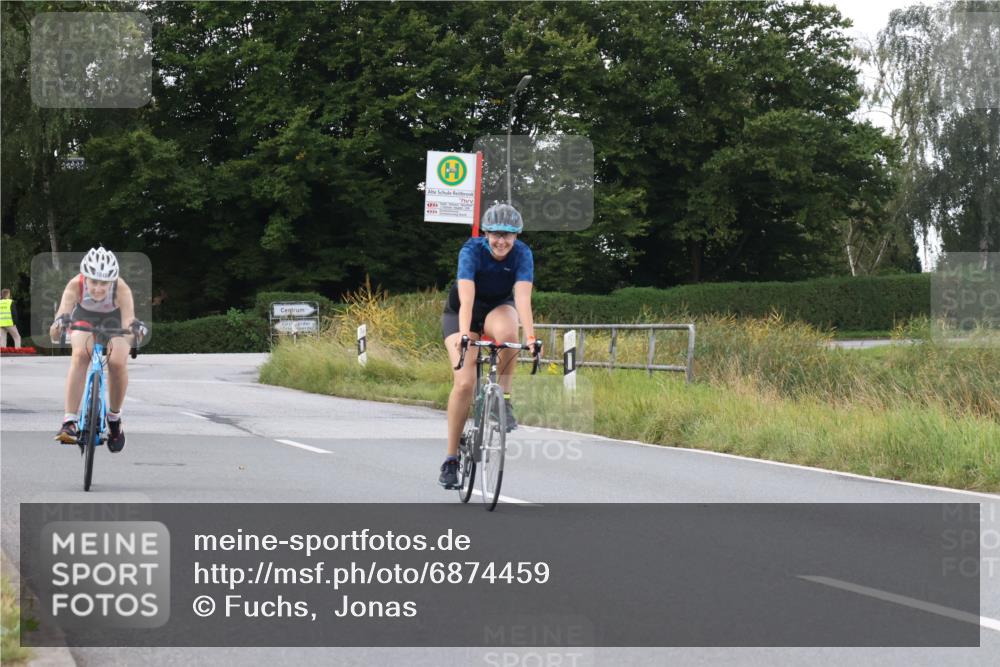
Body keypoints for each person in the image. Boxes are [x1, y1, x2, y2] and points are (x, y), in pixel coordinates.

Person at [438, 203, 541, 488]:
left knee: (510, 333)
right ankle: (450, 459)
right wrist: (463, 334)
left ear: (516, 236)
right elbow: (467, 298)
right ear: (485, 233)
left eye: (508, 235)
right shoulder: (471, 251)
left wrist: (531, 338)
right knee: (465, 383)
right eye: (496, 234)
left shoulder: (522, 254)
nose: (501, 241)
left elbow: (522, 299)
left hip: (498, 308)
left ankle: (503, 401)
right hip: (462, 314)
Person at [49, 248, 141, 452]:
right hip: (84, 318)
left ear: (112, 281)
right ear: (85, 278)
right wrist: (58, 324)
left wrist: (134, 332)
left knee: (117, 362)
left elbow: (128, 321)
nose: (99, 288)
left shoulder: (121, 288)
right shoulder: (75, 285)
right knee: (81, 354)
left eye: (104, 283)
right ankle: (70, 421)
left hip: (115, 321)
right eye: (94, 282)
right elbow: (58, 322)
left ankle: (114, 419)